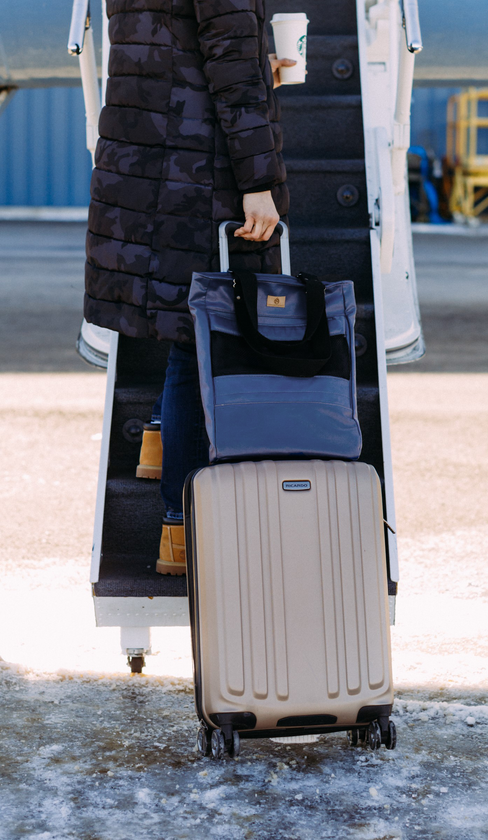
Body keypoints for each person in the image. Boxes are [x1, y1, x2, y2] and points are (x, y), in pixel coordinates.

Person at [83, 0, 294, 575]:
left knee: (188, 326)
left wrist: (253, 60)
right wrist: (259, 181)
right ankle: (182, 527)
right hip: (195, 167)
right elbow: (227, 64)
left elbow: (177, 45)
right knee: (202, 335)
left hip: (150, 153)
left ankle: (157, 437)